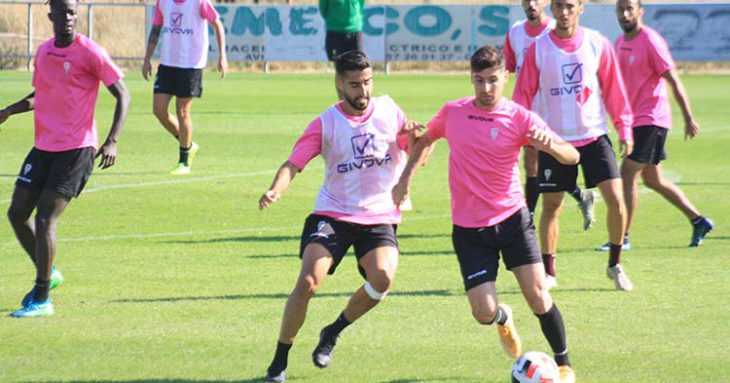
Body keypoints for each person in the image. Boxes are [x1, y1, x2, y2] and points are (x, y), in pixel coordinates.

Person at [392, 46, 578, 383]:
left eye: (493, 80)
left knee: (538, 295)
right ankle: (502, 318)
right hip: (469, 230)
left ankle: (564, 365)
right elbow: (426, 139)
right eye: (479, 80)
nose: (486, 88)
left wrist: (549, 146)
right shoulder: (453, 112)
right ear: (471, 78)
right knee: (483, 312)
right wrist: (405, 181)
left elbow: (572, 156)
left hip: (512, 220)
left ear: (505, 77)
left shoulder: (520, 117)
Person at [259, 51, 420, 383]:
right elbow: (294, 164)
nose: (363, 92)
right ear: (339, 85)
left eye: (367, 82)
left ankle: (332, 331)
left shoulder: (389, 110)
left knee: (383, 278)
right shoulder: (325, 123)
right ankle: (278, 363)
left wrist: (410, 161)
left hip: (377, 215)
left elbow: (414, 142)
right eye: (355, 85)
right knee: (307, 282)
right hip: (334, 212)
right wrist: (277, 189)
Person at [0, 0, 130, 318]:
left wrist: (112, 141)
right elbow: (40, 95)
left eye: (73, 12)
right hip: (44, 145)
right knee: (17, 214)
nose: (69, 17)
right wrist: (8, 111)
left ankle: (42, 297)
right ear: (51, 16)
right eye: (62, 12)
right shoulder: (44, 52)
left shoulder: (91, 52)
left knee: (46, 218)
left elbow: (123, 94)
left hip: (77, 148)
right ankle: (49, 273)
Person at [513, 0, 636, 291]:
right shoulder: (539, 49)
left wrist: (625, 129)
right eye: (558, 6)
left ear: (581, 8)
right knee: (552, 206)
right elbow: (523, 95)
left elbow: (614, 89)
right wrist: (519, 135)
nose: (564, 12)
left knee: (616, 200)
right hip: (555, 141)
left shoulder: (597, 43)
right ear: (552, 9)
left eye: (570, 6)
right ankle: (549, 272)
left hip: (594, 136)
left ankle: (615, 265)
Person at [607, 0, 713, 250]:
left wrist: (688, 116)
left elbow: (673, 79)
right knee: (653, 180)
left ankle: (622, 237)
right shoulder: (620, 42)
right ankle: (699, 220)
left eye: (629, 9)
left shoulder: (650, 41)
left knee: (628, 173)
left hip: (651, 118)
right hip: (635, 120)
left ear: (639, 12)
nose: (624, 14)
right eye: (620, 10)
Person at [504, 0, 595, 232]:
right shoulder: (515, 32)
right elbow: (508, 66)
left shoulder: (556, 30)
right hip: (526, 107)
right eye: (527, 0)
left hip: (551, 110)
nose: (531, 4)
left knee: (548, 163)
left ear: (546, 3)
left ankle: (530, 219)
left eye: (536, 0)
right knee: (531, 163)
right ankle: (534, 216)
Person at [142, 0, 227, 175]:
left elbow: (217, 24)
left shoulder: (199, 2)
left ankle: (184, 162)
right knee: (158, 110)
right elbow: (156, 29)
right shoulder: (163, 2)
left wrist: (222, 57)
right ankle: (188, 144)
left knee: (182, 111)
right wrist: (147, 58)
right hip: (167, 63)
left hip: (191, 64)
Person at [319, 0, 365, 99]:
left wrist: (355, 20)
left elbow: (361, 5)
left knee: (359, 68)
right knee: (340, 70)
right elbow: (323, 9)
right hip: (335, 31)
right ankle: (342, 102)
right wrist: (335, 21)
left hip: (355, 30)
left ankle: (359, 100)